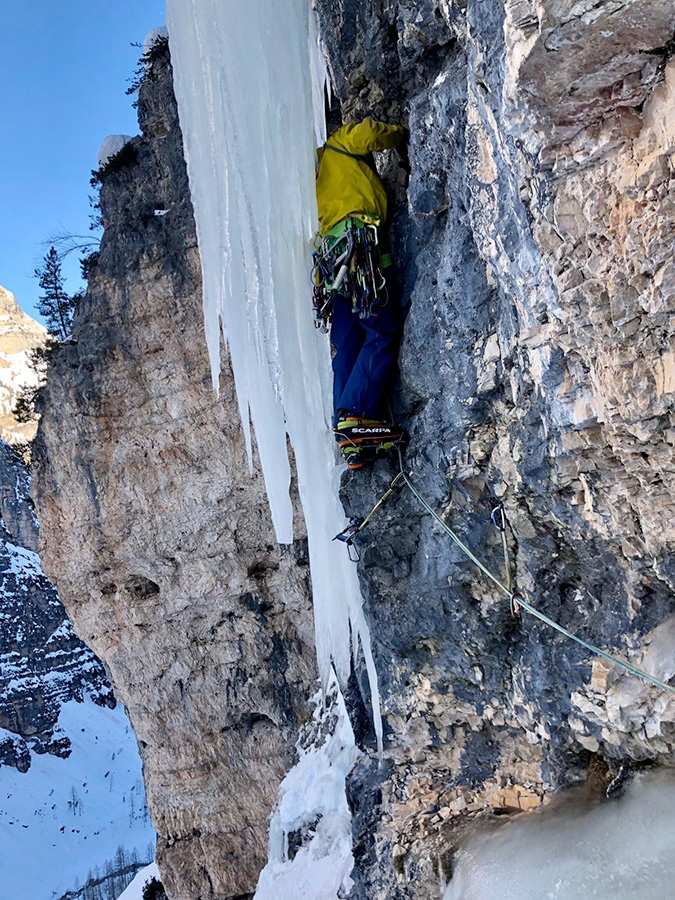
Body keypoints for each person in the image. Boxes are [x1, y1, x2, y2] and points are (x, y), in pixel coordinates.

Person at [313, 117, 407, 470]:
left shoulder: (314, 179)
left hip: (331, 265)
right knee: (380, 331)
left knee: (347, 345)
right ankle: (356, 417)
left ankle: (345, 427)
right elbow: (368, 131)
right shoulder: (339, 145)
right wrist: (402, 135)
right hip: (359, 248)